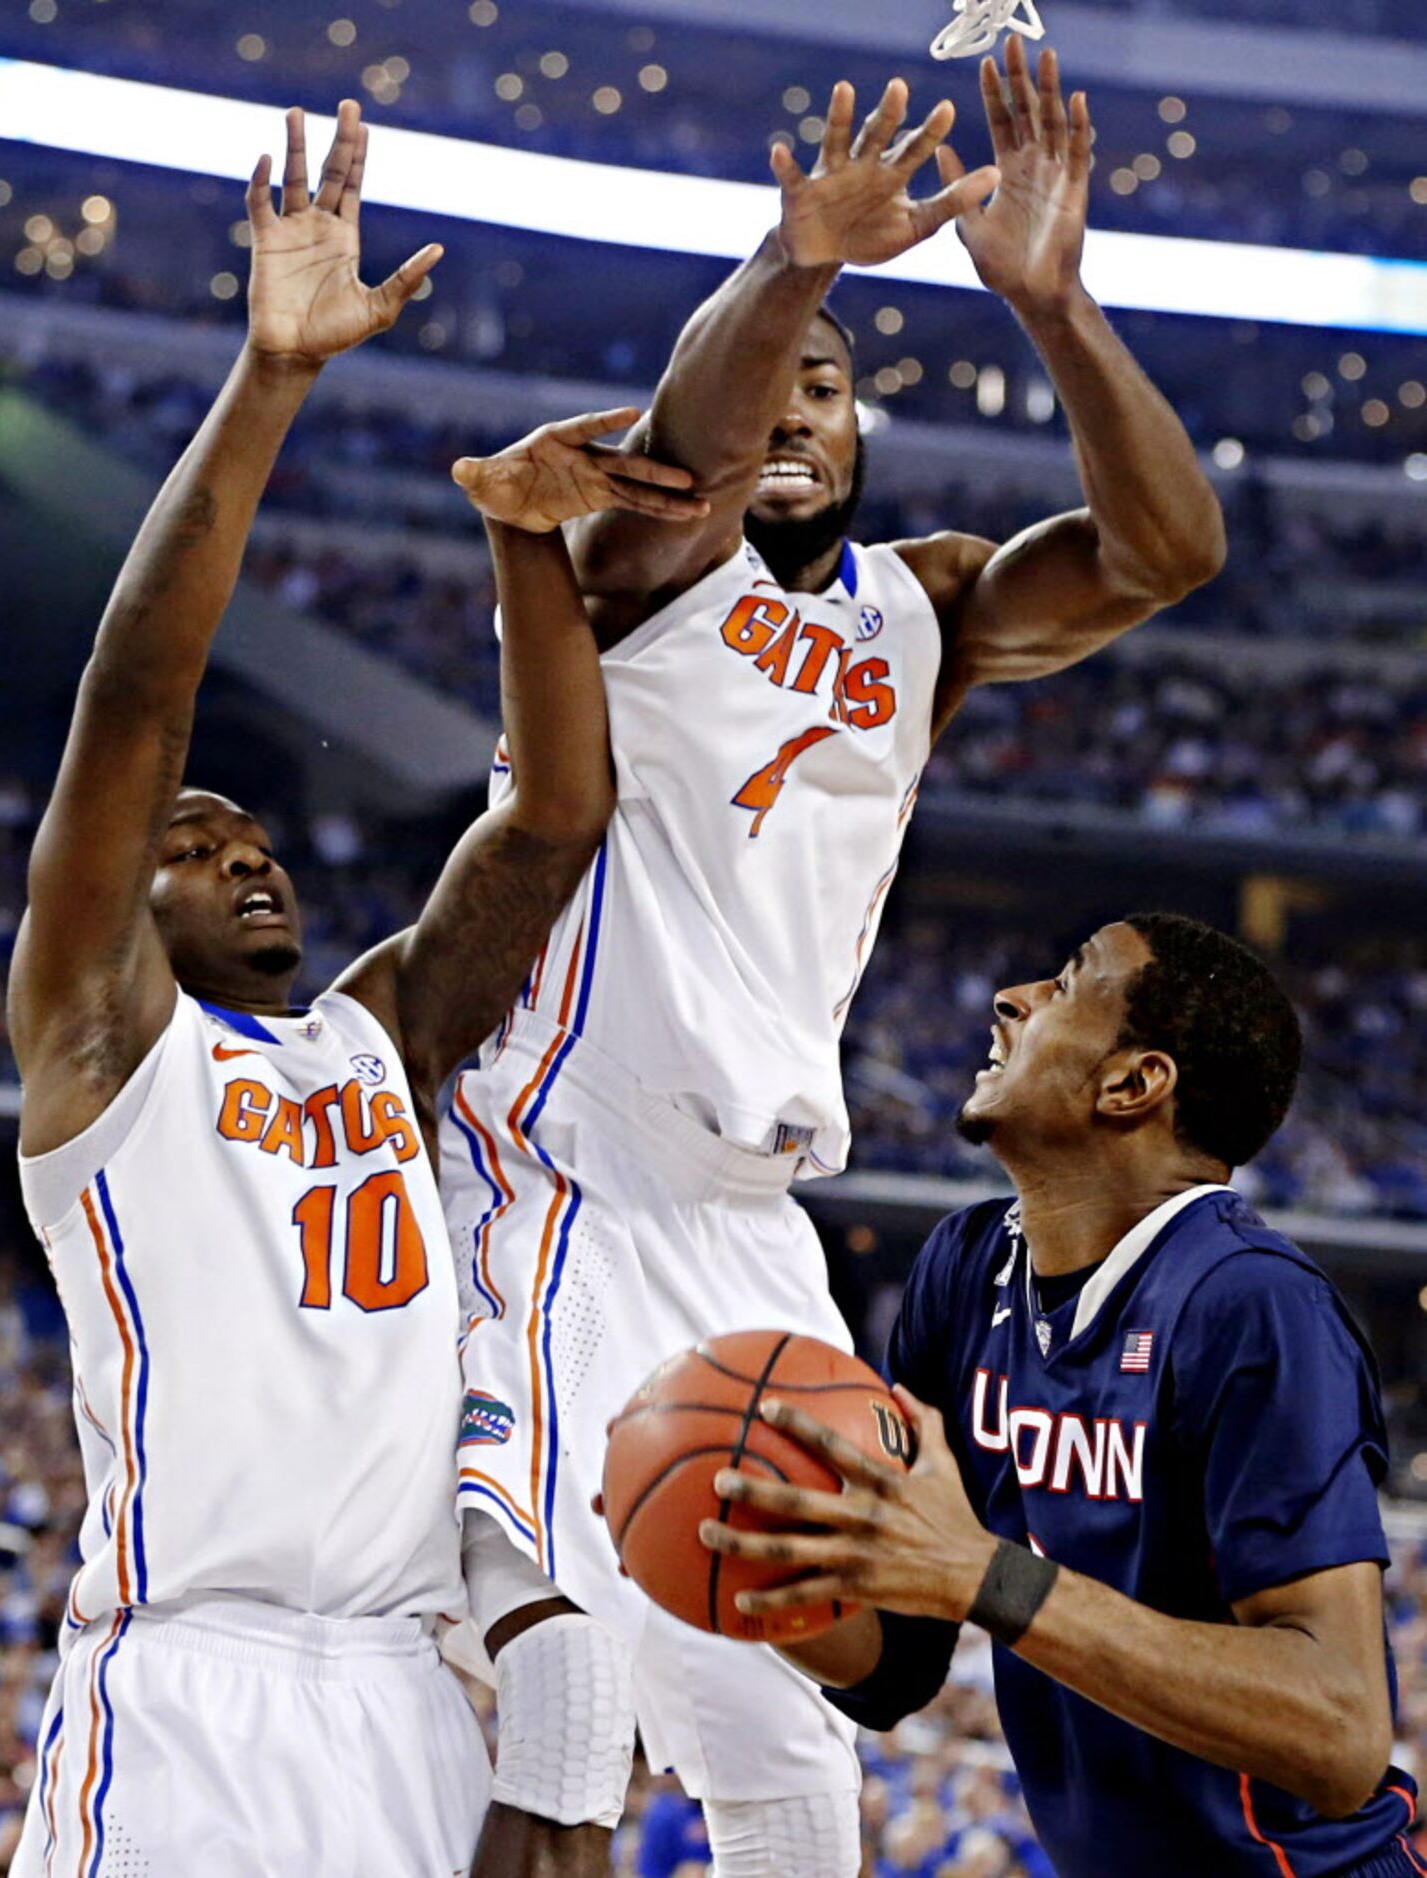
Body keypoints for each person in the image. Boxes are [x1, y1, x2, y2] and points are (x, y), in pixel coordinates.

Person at [441, 37, 1227, 1878]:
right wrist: (798, 266)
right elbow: (695, 440)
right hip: (570, 1189)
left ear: (870, 436)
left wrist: (1051, 299)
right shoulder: (638, 559)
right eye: (771, 385)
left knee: (793, 1755)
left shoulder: (923, 604)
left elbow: (1164, 549)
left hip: (755, 1223)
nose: (794, 407)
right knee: (567, 1705)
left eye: (832, 387)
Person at [4, 99, 704, 1878]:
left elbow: (555, 820)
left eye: (260, 839)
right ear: (115, 898)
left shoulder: (370, 1037)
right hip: (189, 1689)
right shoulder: (103, 1051)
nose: (250, 855)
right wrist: (273, 378)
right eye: (195, 840)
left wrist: (521, 543)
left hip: (403, 1694)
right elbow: (134, 696)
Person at [702, 913, 1422, 1878]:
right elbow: (897, 1663)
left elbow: (1339, 1735)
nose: (1012, 999)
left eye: (1068, 984)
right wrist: (735, 1558)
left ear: (1133, 1084)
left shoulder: (1253, 1307)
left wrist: (986, 1576)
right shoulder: (962, 1268)